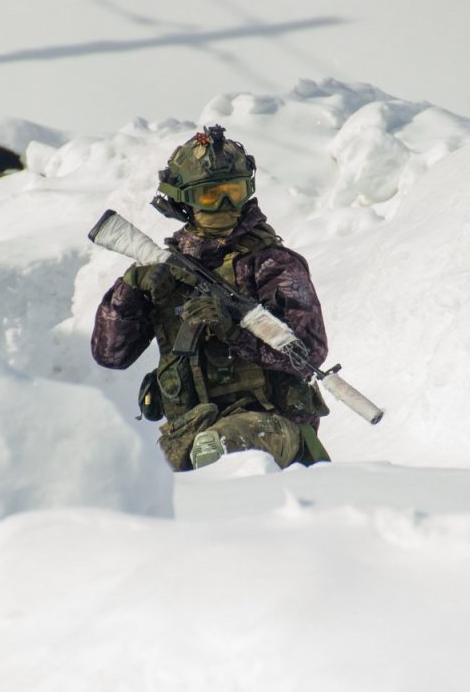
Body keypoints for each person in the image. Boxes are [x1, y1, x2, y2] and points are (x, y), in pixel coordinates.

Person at [91, 125, 332, 471]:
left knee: (215, 448)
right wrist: (131, 288)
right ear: (184, 200)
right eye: (209, 196)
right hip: (186, 434)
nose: (222, 205)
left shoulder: (272, 264)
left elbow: (310, 353)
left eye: (232, 193)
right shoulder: (164, 271)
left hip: (274, 428)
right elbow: (109, 355)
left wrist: (234, 331)